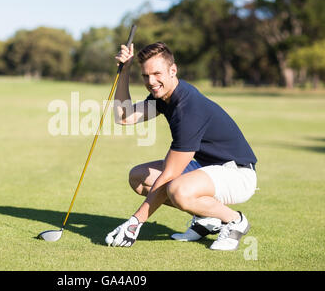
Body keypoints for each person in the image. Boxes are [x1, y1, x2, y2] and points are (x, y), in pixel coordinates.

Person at [105, 42, 257, 251]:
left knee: (178, 190)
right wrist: (125, 71)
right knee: (139, 178)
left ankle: (234, 221)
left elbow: (169, 175)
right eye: (145, 76)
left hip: (237, 174)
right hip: (208, 169)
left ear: (173, 70)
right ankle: (207, 218)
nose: (151, 82)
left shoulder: (188, 109)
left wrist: (134, 223)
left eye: (157, 73)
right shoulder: (165, 96)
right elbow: (124, 116)